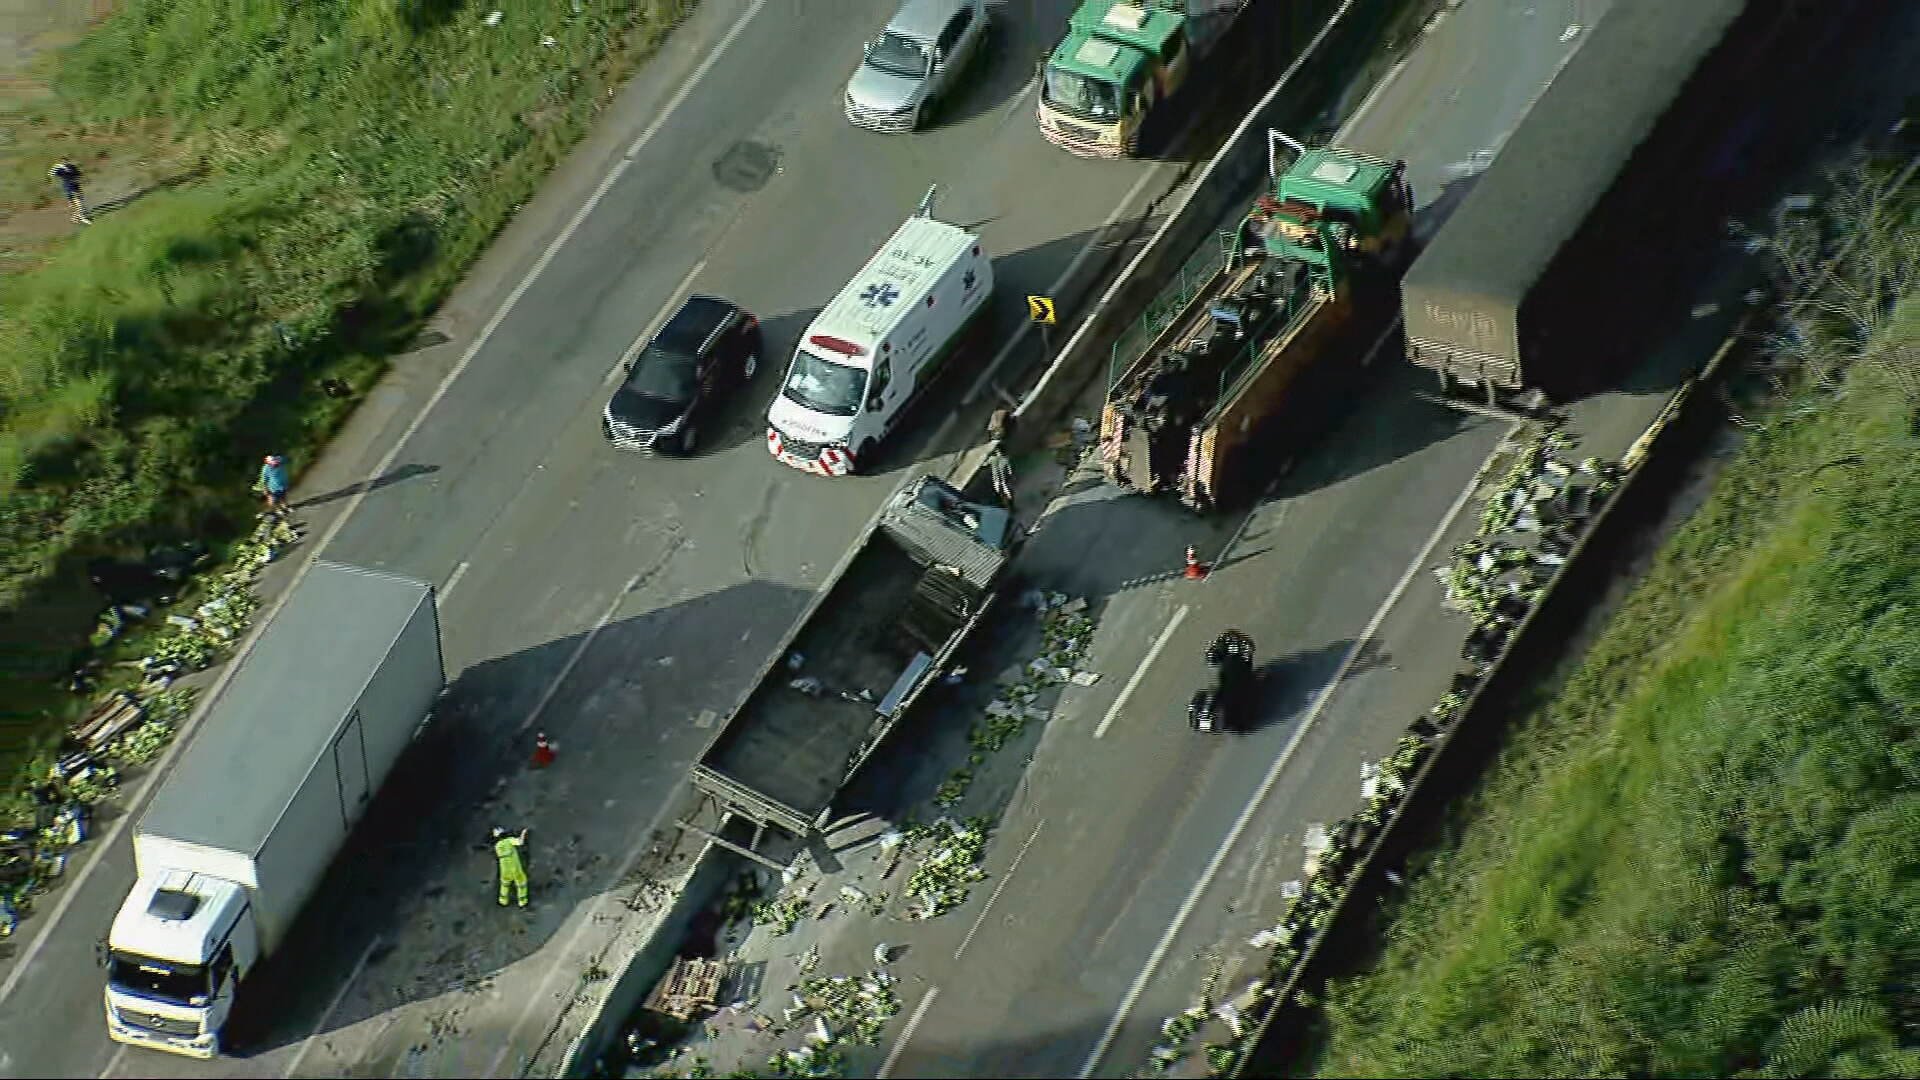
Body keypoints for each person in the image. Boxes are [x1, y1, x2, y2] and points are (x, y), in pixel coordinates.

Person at [493, 827, 530, 908]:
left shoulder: (497, 846)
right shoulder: (509, 840)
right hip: (515, 868)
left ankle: (503, 901)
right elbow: (520, 842)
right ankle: (522, 902)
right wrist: (523, 832)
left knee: (504, 885)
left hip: (504, 871)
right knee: (521, 883)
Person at [50, 159, 91, 225]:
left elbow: (79, 174)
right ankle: (81, 217)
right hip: (69, 187)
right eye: (63, 162)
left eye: (65, 161)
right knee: (76, 203)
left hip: (75, 185)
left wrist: (82, 179)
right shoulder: (60, 169)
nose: (64, 163)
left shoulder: (72, 166)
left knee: (77, 202)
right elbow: (52, 174)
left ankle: (75, 218)